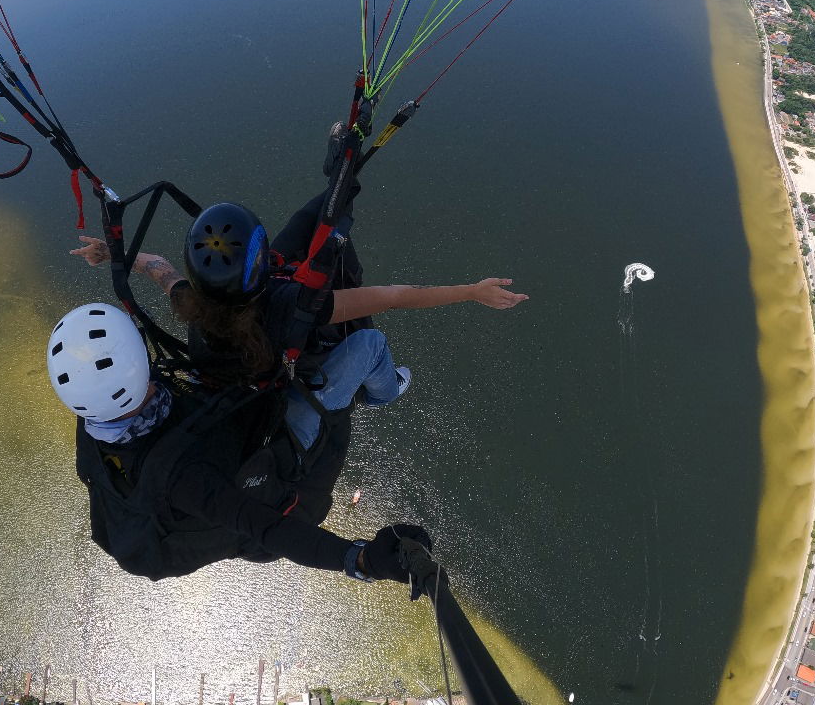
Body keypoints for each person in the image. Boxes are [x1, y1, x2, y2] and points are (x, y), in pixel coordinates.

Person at [56, 195, 527, 584]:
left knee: (318, 228)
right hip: (269, 433)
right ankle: (385, 392)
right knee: (369, 345)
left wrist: (114, 254)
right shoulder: (189, 479)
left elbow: (157, 267)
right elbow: (270, 530)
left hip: (231, 404)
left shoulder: (101, 415)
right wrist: (360, 559)